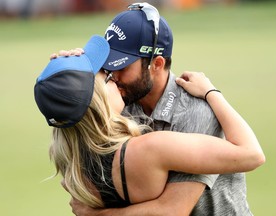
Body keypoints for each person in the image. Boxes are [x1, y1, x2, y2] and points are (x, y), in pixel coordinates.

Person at [51, 3, 262, 215]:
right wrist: (71, 71)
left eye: (121, 66)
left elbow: (173, 209)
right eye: (108, 64)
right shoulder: (117, 102)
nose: (112, 75)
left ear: (157, 64)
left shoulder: (194, 111)